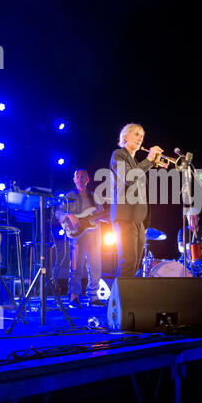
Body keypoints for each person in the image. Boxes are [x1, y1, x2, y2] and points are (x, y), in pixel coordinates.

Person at [109, 123, 163, 277]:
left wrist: (145, 222)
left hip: (138, 220)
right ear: (125, 137)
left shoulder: (135, 163)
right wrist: (149, 160)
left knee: (135, 263)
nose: (140, 138)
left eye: (142, 136)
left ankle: (125, 299)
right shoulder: (118, 154)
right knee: (128, 261)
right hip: (124, 216)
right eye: (136, 134)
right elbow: (128, 177)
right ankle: (120, 301)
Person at [56, 169, 109, 308]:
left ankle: (93, 296)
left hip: (94, 235)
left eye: (83, 176)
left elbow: (102, 216)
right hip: (77, 235)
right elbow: (58, 212)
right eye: (78, 176)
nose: (80, 178)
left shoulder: (94, 197)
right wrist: (69, 215)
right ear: (74, 179)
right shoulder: (69, 195)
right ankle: (74, 296)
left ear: (88, 179)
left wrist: (110, 216)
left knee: (96, 266)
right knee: (76, 267)